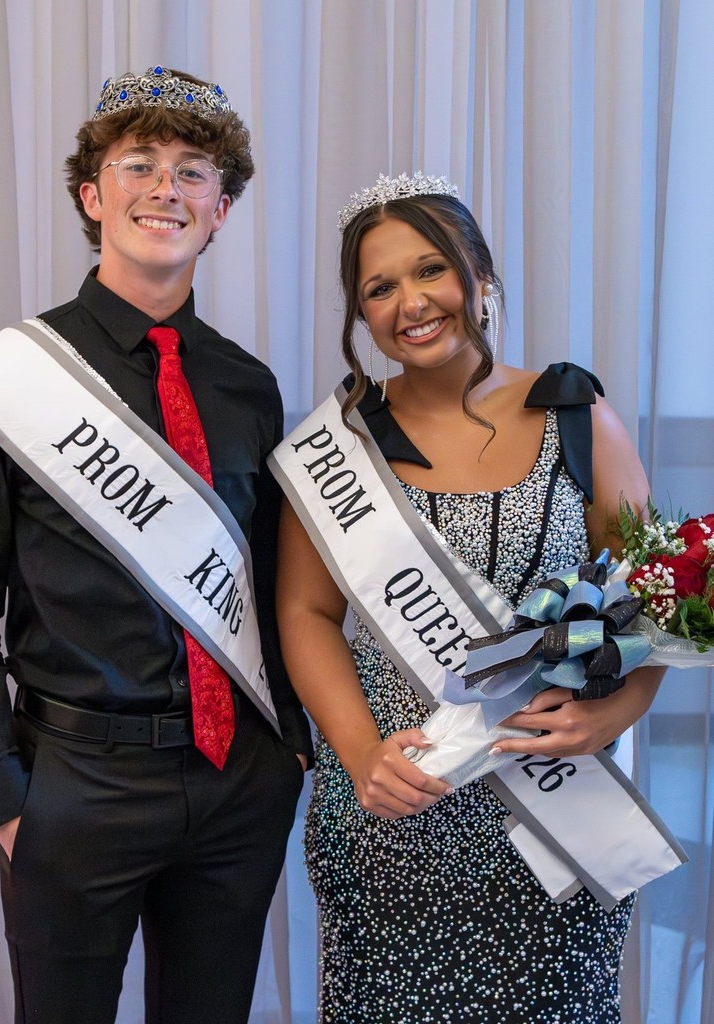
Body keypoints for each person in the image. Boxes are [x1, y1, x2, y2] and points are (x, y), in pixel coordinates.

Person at [0, 66, 311, 1024]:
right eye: (138, 164)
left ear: (220, 209)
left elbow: (269, 581)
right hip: (74, 784)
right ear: (94, 197)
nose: (164, 189)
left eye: (192, 171)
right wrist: (2, 788)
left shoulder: (245, 385)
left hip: (236, 786)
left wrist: (288, 751)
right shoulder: (9, 382)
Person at [273, 172, 665, 1023]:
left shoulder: (573, 414)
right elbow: (305, 614)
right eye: (378, 287)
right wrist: (359, 752)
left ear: (479, 277)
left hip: (556, 817)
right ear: (360, 314)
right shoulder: (335, 446)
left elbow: (652, 595)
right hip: (395, 810)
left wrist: (615, 714)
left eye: (430, 270)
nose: (409, 302)